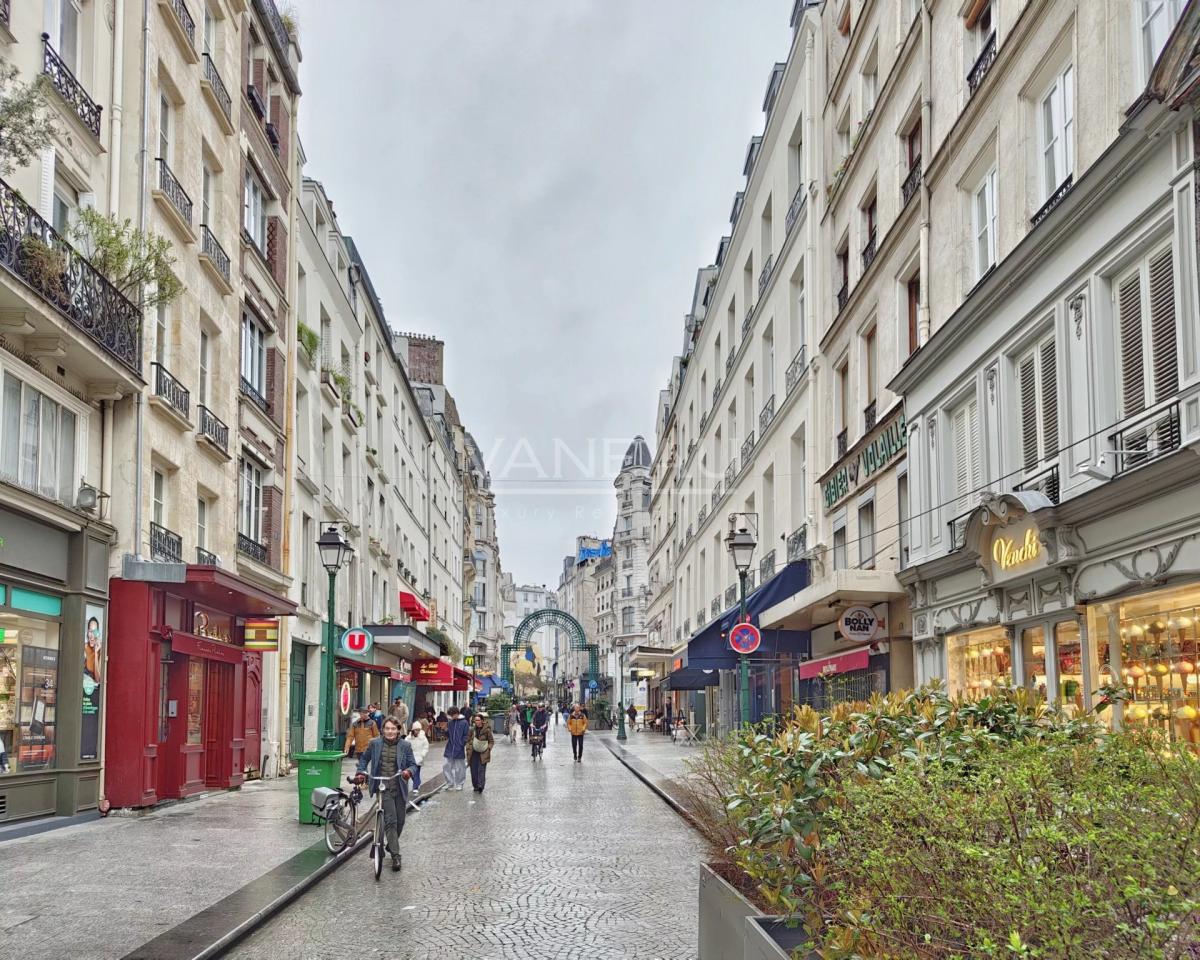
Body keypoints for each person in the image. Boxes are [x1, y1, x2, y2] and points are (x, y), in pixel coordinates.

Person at [353, 716, 416, 873]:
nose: (390, 731)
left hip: (399, 786)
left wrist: (409, 772)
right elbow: (364, 759)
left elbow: (413, 764)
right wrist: (361, 772)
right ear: (383, 730)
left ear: (398, 730)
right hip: (382, 787)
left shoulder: (405, 746)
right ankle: (396, 856)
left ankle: (390, 845)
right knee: (391, 821)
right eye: (387, 728)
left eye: (393, 729)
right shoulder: (375, 744)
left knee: (400, 821)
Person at [466, 711, 495, 792]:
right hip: (473, 753)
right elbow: (468, 740)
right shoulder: (472, 730)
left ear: (482, 721)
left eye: (478, 720)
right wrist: (468, 747)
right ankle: (475, 785)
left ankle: (480, 786)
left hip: (483, 753)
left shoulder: (487, 730)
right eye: (475, 720)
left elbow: (491, 741)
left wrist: (488, 749)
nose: (477, 722)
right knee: (474, 771)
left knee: (481, 770)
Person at [442, 706, 469, 790]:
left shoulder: (464, 722)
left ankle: (460, 783)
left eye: (451, 715)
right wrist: (445, 730)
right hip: (450, 747)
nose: (450, 717)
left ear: (456, 714)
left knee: (460, 767)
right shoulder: (450, 723)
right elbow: (449, 735)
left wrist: (462, 744)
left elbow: (466, 735)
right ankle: (449, 783)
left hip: (459, 748)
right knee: (446, 765)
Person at [407, 721, 429, 795]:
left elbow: (426, 747)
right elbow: (405, 746)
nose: (417, 731)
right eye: (416, 730)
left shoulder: (423, 738)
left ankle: (415, 787)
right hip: (411, 758)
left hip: (419, 757)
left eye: (419, 730)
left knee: (416, 772)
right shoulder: (409, 738)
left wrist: (422, 755)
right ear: (413, 730)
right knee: (413, 773)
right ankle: (418, 782)